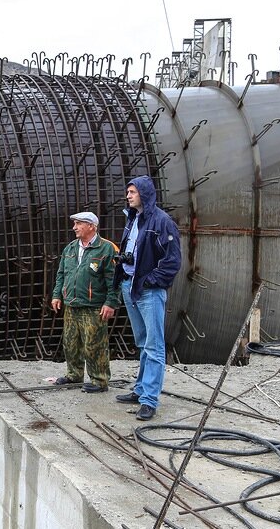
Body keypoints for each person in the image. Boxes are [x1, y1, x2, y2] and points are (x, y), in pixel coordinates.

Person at [113, 176, 182, 421]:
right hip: (130, 288)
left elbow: (172, 262)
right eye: (128, 192)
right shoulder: (133, 219)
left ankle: (149, 400)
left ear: (144, 193)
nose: (128, 196)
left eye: (132, 192)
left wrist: (148, 281)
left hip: (148, 292)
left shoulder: (162, 222)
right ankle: (141, 389)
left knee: (154, 346)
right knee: (143, 342)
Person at [50, 211, 120, 393]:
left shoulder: (107, 248)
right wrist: (57, 295)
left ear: (91, 226)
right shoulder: (71, 248)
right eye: (74, 224)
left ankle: (99, 380)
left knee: (94, 344)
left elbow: (114, 279)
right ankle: (74, 375)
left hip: (94, 306)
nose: (74, 227)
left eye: (78, 224)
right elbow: (61, 274)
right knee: (70, 342)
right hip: (72, 304)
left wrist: (110, 302)